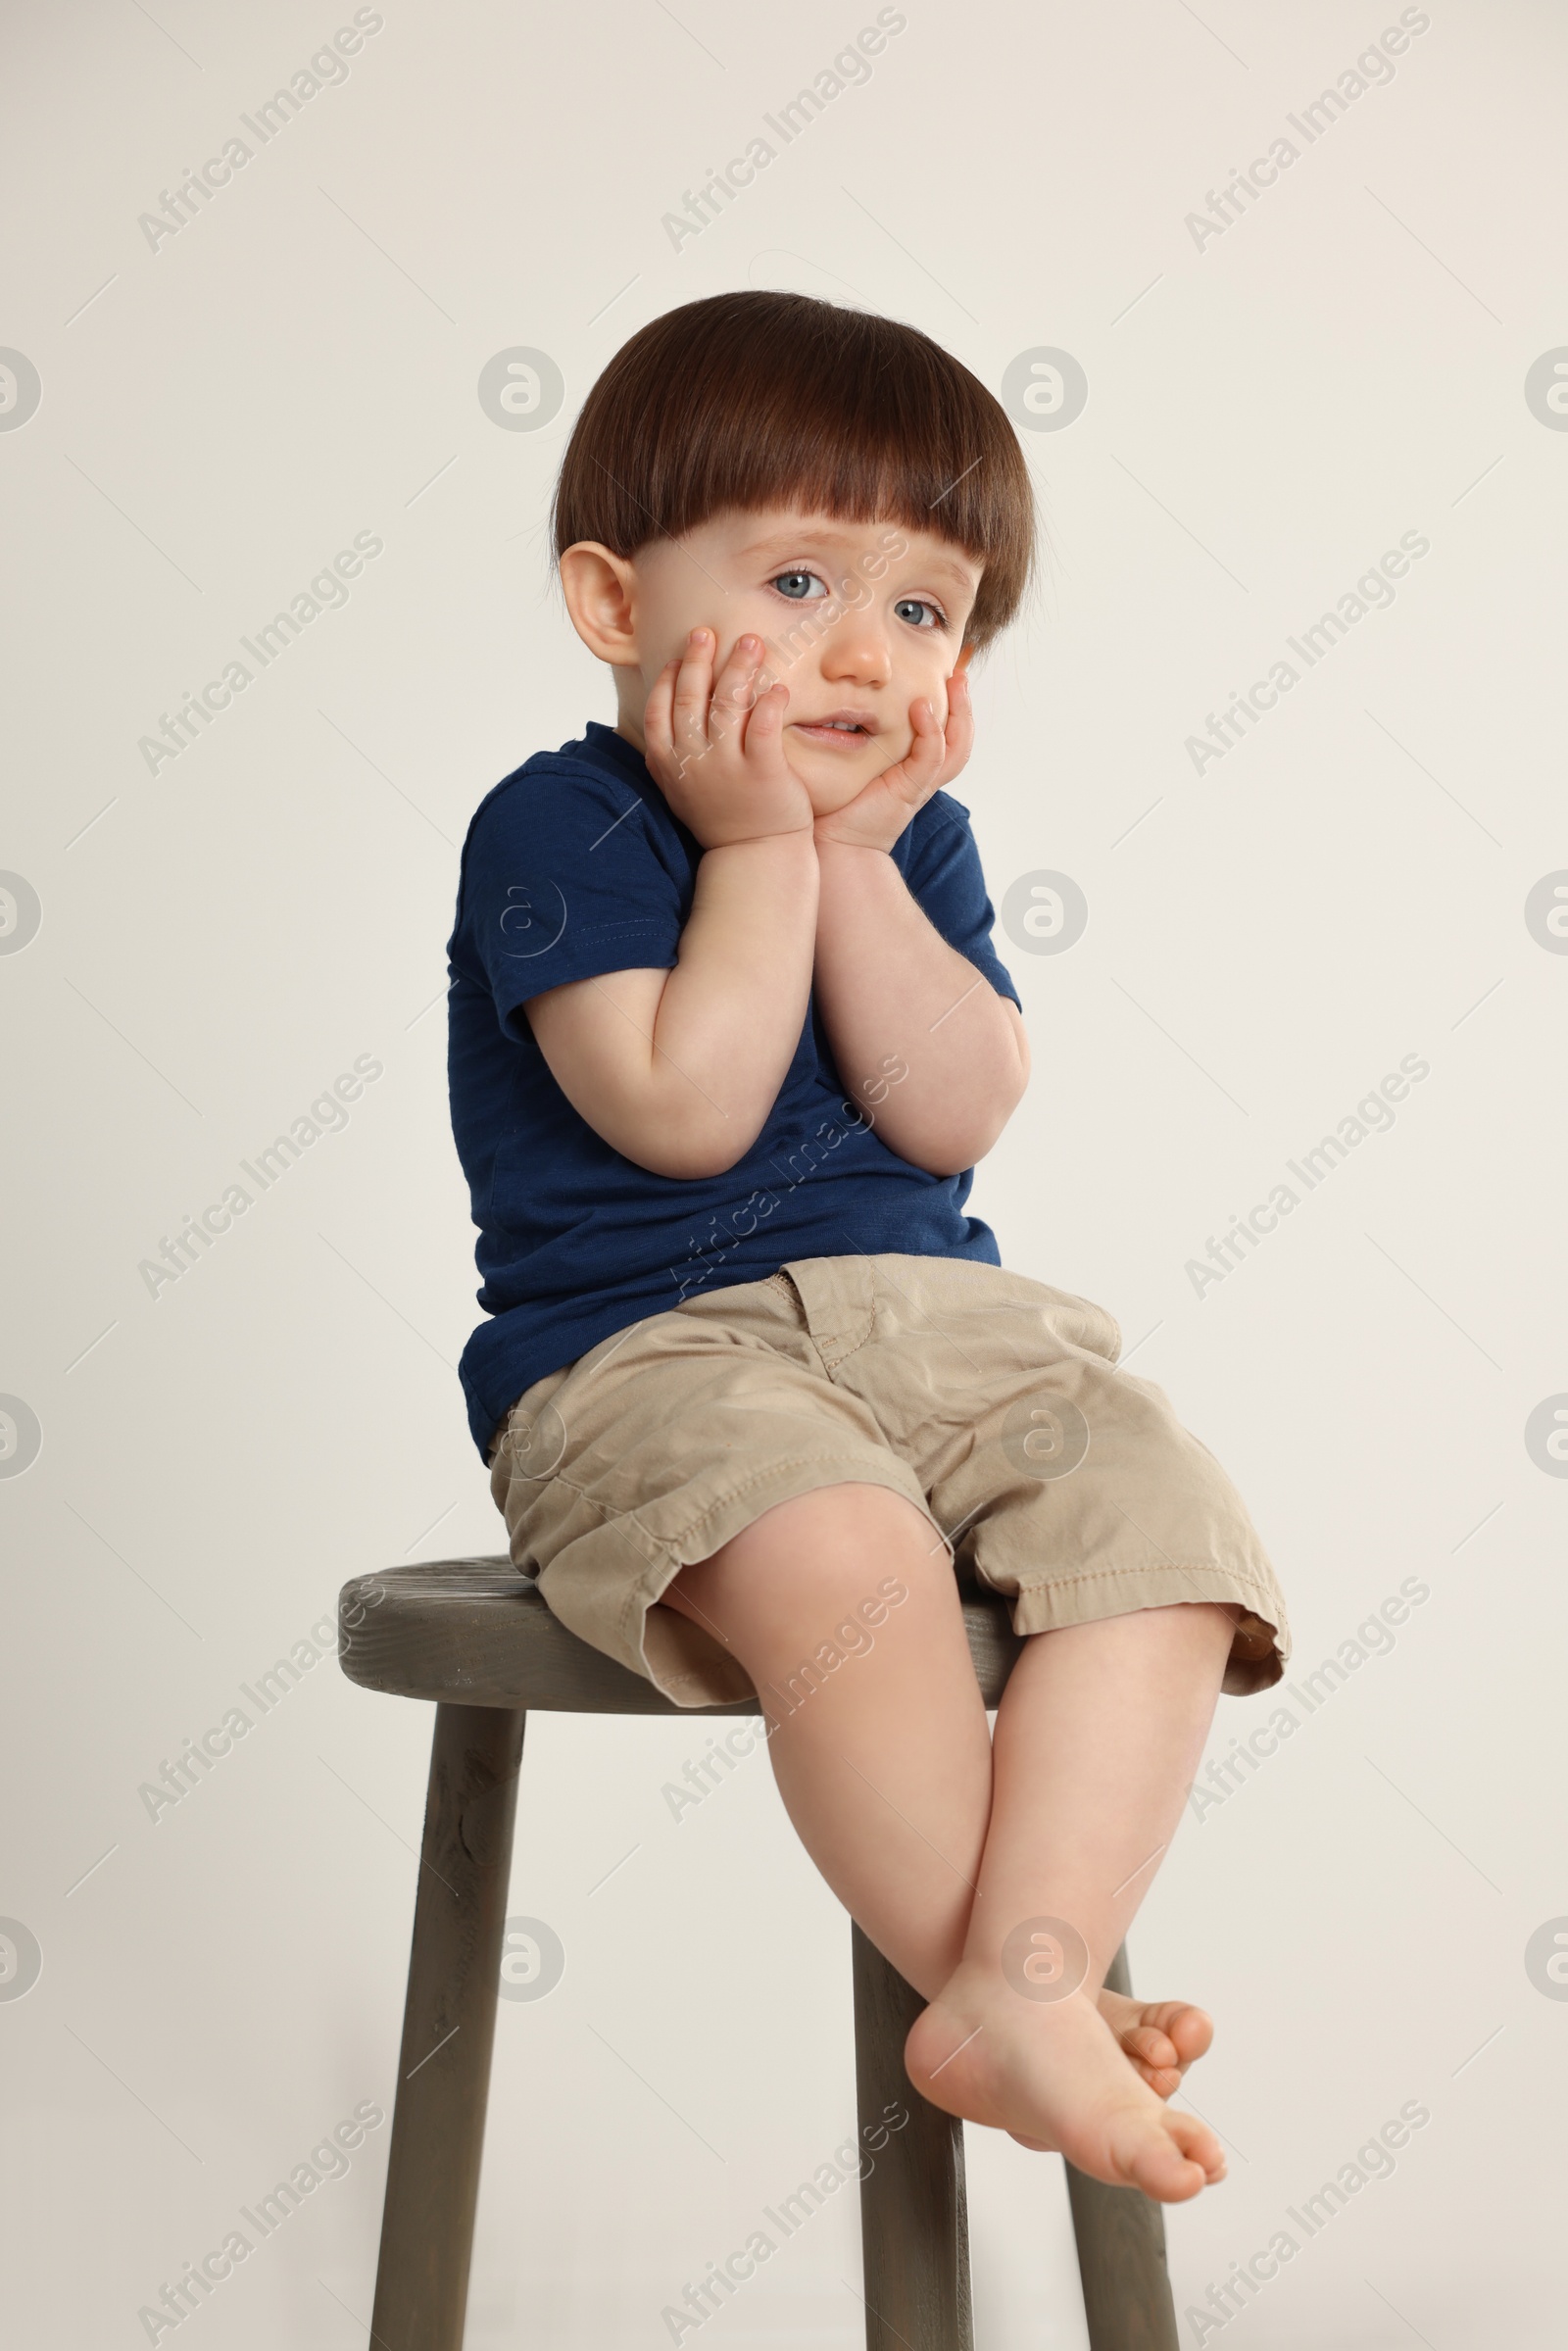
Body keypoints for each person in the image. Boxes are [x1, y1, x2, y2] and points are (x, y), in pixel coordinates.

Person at [448, 290, 1291, 2200]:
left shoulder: (904, 840)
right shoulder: (560, 826)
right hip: (648, 1364)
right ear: (613, 606)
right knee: (847, 1554)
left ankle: (1026, 1969)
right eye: (803, 579)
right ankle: (1003, 2001)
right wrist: (754, 848)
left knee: (1157, 1525)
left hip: (939, 1336)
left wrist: (839, 856)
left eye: (921, 613)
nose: (862, 649)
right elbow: (685, 1104)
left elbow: (956, 1105)